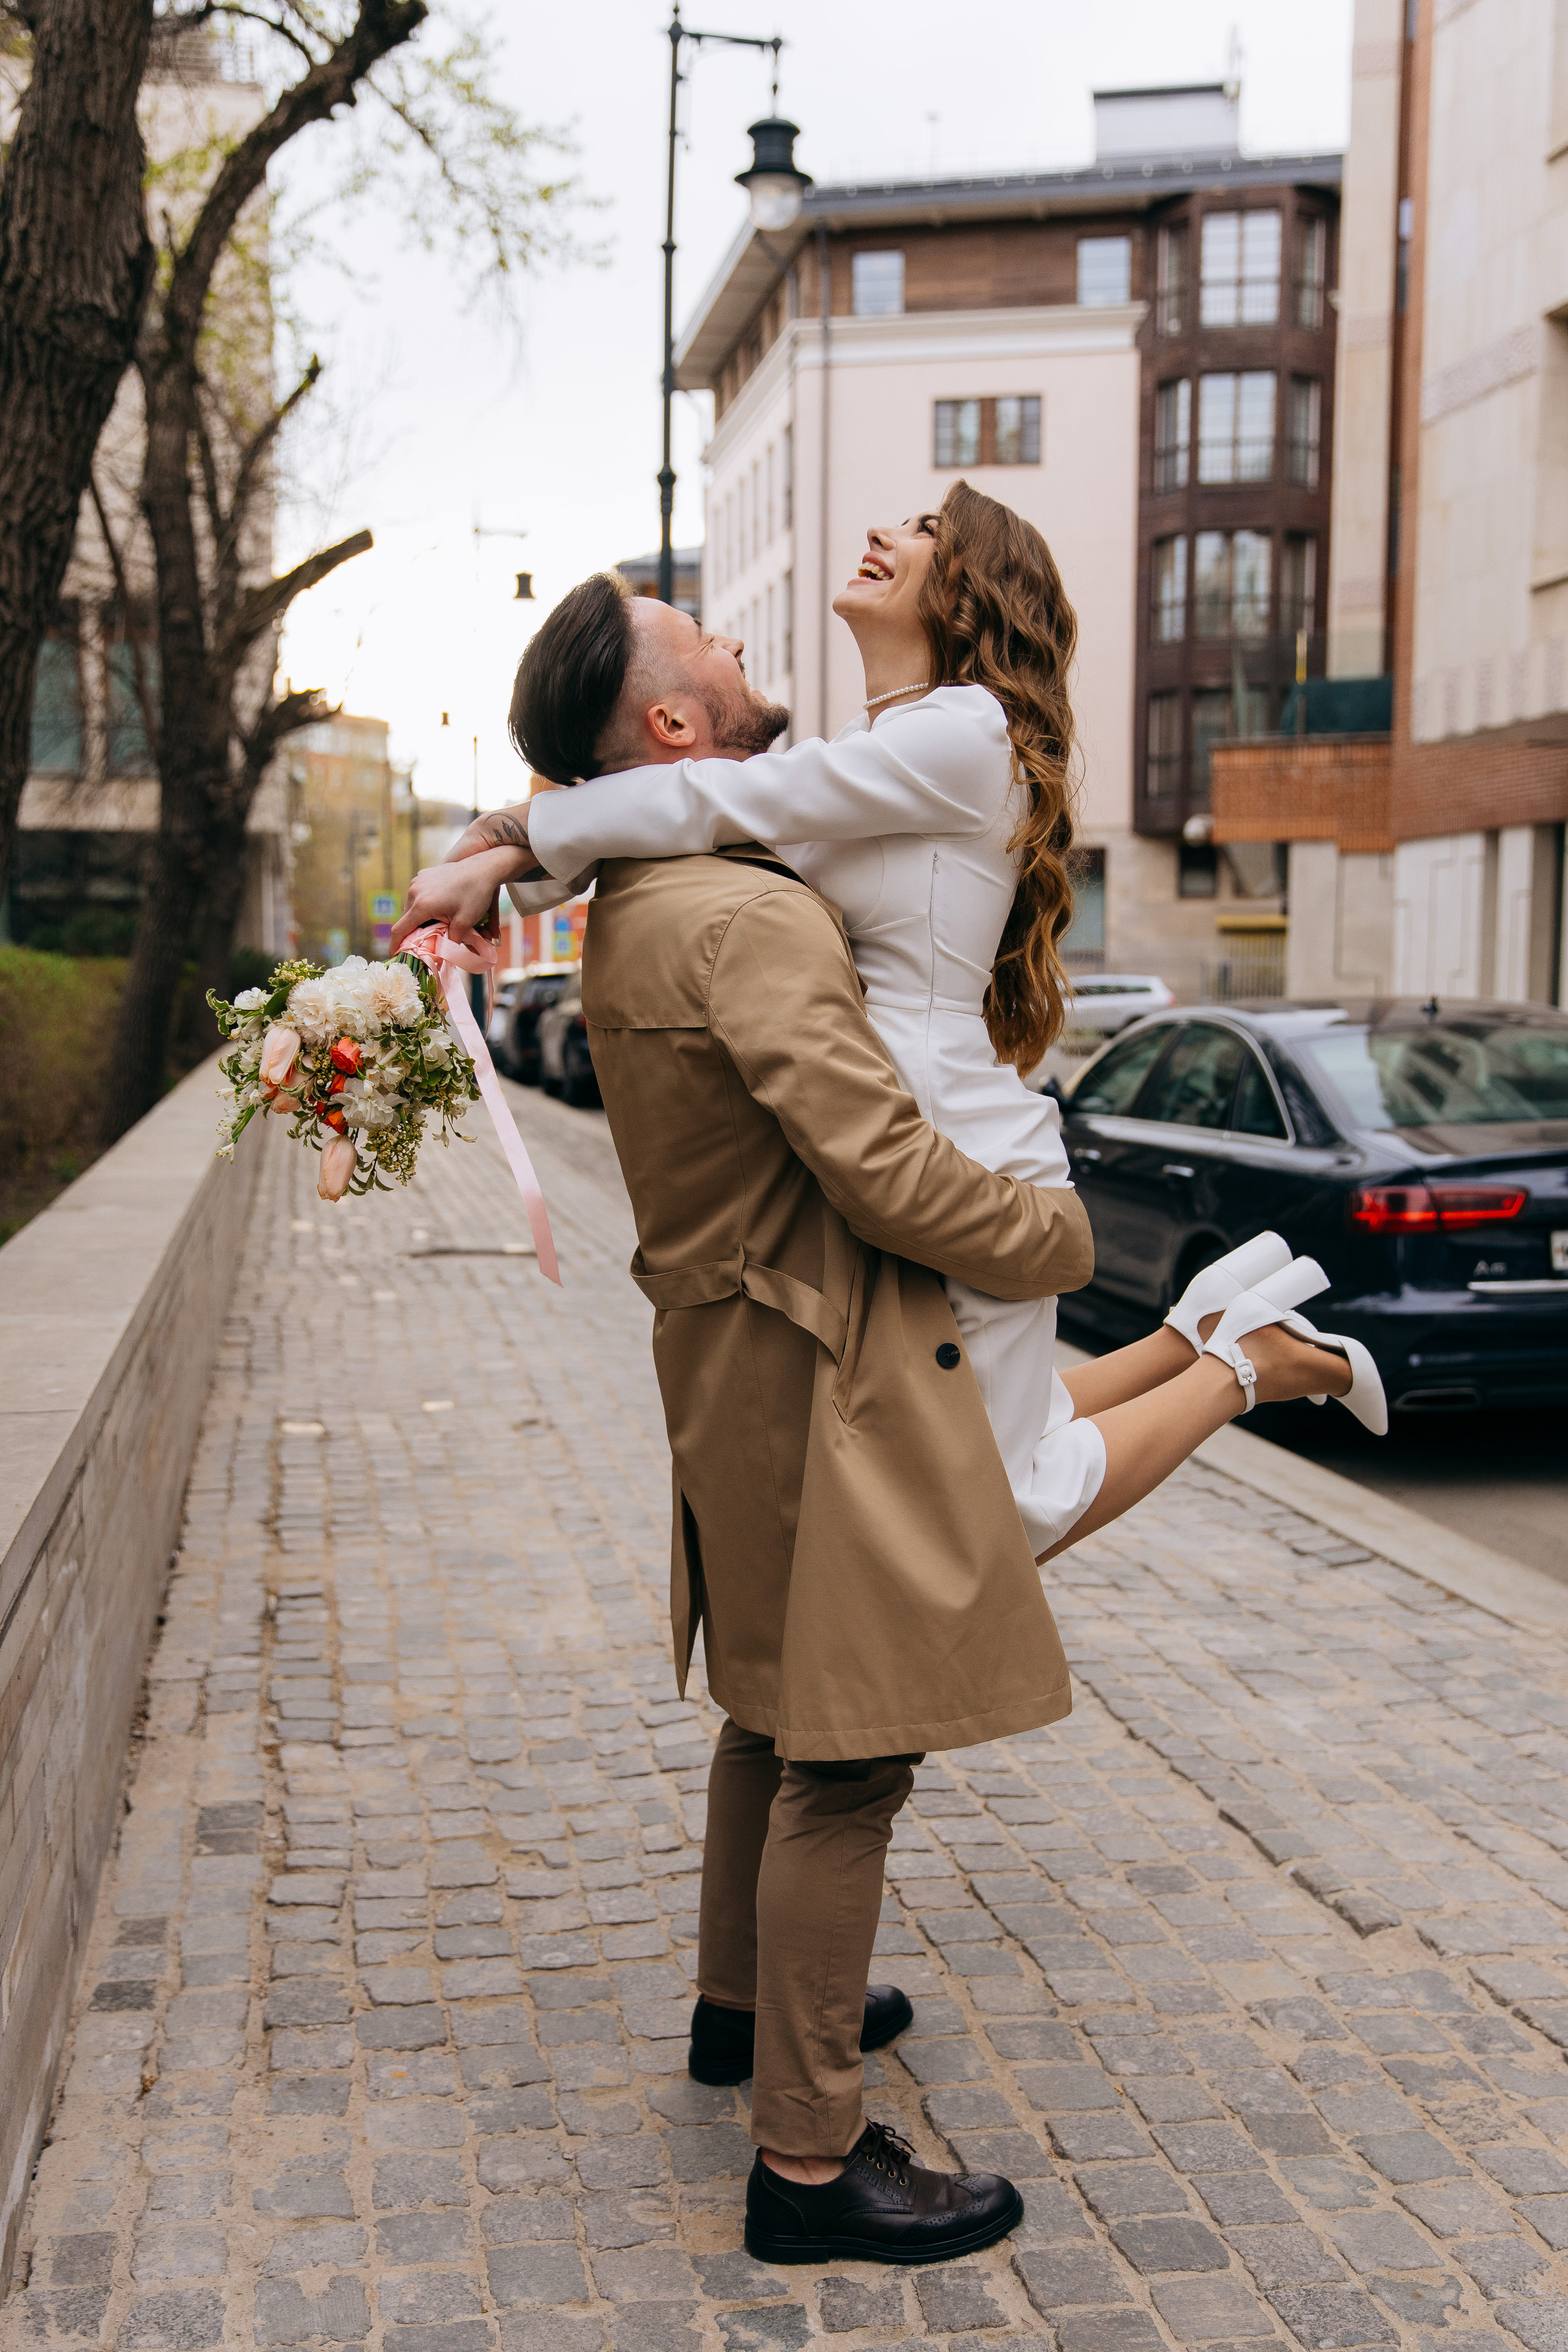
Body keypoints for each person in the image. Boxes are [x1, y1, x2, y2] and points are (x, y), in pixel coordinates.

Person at [399, 481, 1383, 1568]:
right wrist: (505, 872)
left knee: (1011, 1507)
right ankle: (1192, 1331)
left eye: (922, 534)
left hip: (954, 1147)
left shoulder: (965, 732)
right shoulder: (883, 751)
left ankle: (1252, 1364)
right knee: (959, 1435)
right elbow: (689, 827)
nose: (881, 533)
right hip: (902, 1137)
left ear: (966, 600)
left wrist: (503, 836)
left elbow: (704, 805)